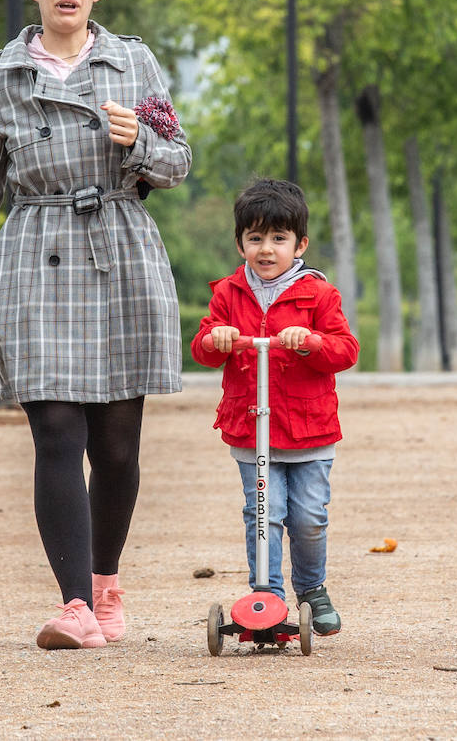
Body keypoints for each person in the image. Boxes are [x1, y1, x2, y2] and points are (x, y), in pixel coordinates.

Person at [0, 0, 191, 650]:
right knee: (54, 429)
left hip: (121, 248)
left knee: (115, 446)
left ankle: (107, 587)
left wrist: (136, 141)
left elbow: (177, 160)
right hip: (34, 251)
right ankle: (74, 605)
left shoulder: (134, 64)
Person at [190, 179, 359, 636]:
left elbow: (346, 350)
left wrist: (311, 342)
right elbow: (203, 348)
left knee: (307, 517)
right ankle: (267, 596)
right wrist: (216, 338)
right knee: (263, 512)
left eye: (279, 239)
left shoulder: (318, 295)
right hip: (253, 427)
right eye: (256, 238)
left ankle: (311, 588)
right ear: (241, 242)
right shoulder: (228, 293)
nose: (267, 249)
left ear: (299, 244)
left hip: (308, 429)